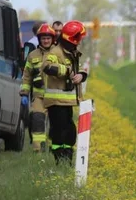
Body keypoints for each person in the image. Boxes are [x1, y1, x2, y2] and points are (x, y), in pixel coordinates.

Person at [41, 20, 88, 164]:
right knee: (60, 132)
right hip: (56, 101)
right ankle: (59, 160)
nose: (79, 42)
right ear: (71, 39)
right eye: (77, 39)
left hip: (67, 101)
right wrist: (66, 71)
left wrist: (81, 75)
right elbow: (46, 66)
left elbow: (79, 69)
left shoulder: (72, 53)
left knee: (70, 132)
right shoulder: (56, 52)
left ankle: (66, 158)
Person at [21, 23, 56, 152]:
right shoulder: (32, 55)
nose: (46, 41)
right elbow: (27, 75)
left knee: (55, 124)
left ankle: (54, 149)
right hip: (39, 96)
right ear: (39, 39)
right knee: (37, 120)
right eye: (43, 38)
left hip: (55, 96)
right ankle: (38, 150)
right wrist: (24, 93)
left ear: (52, 39)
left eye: (48, 38)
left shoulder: (58, 53)